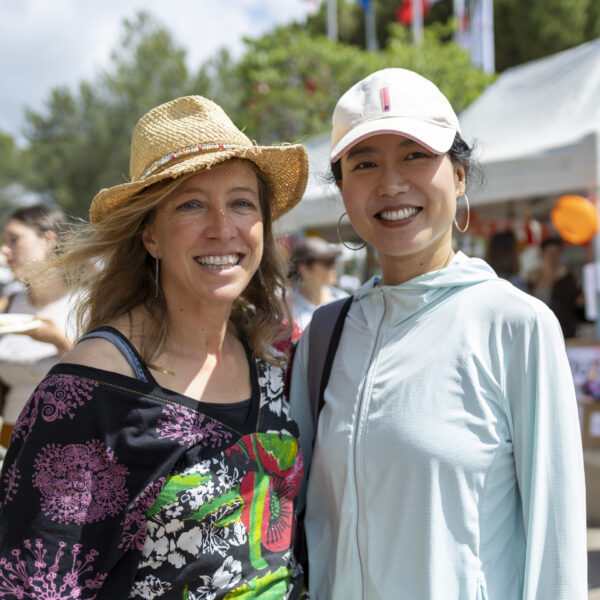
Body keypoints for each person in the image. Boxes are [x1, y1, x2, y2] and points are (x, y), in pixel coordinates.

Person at [290, 68, 586, 599]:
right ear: (342, 189)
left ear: (460, 174)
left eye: (415, 155)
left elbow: (556, 539)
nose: (390, 183)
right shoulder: (324, 336)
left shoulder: (515, 325)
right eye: (364, 163)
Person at [0, 95, 309, 599]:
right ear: (150, 236)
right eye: (191, 204)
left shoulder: (270, 350)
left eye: (241, 202)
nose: (222, 227)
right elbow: (33, 584)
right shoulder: (91, 389)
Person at [0, 204, 73, 449]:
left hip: (63, 440)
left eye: (14, 240)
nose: (4, 250)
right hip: (8, 437)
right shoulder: (12, 301)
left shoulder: (86, 300)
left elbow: (109, 378)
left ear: (48, 240)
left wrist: (59, 341)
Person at [527, 236, 584, 339]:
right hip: (536, 332)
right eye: (550, 253)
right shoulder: (532, 278)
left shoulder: (567, 278)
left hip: (562, 332)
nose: (553, 257)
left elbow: (578, 301)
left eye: (557, 253)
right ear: (543, 255)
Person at [288, 236, 348, 331]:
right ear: (304, 269)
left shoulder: (345, 302)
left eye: (333, 261)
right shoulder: (287, 308)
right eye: (327, 262)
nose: (333, 267)